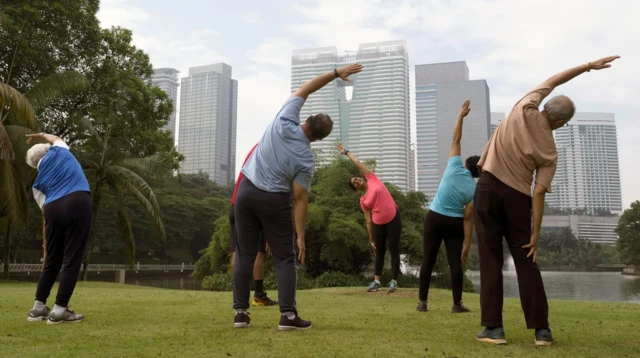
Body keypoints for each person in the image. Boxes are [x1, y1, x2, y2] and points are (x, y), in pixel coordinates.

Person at [474, 56, 620, 346]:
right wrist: (535, 235)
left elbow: (555, 80)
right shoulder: (550, 151)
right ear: (562, 122)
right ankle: (542, 331)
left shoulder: (524, 106)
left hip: (489, 189)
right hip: (518, 198)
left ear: (545, 106)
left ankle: (493, 329)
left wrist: (587, 66)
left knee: (490, 259)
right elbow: (538, 193)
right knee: (526, 261)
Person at [233, 63, 363, 331]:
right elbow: (300, 197)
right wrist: (300, 236)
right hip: (274, 201)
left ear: (307, 117)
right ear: (319, 139)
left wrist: (336, 74)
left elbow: (307, 88)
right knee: (285, 258)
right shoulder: (306, 158)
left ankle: (241, 314)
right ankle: (288, 316)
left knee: (244, 254)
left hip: (246, 192)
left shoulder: (284, 118)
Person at [417, 100, 479, 313]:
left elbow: (456, 138)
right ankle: (456, 304)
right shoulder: (473, 190)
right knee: (455, 263)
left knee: (428, 260)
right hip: (454, 224)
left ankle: (422, 303)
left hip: (434, 218)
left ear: (465, 164)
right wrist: (467, 243)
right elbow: (468, 218)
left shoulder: (454, 166)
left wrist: (460, 116)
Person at [25, 132, 92, 324]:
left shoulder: (37, 185)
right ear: (47, 151)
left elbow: (45, 214)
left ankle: (38, 309)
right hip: (78, 201)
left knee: (52, 262)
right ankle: (60, 310)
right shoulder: (59, 151)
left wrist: (47, 245)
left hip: (53, 209)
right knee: (72, 258)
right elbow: (54, 139)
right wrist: (41, 134)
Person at [337, 143, 402, 293]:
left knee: (394, 249)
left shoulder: (372, 178)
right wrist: (371, 239)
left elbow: (357, 163)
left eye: (357, 179)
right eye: (354, 183)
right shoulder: (363, 201)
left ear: (361, 178)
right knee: (379, 252)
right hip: (378, 223)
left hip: (393, 217)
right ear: (355, 188)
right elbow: (368, 220)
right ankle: (376, 282)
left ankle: (393, 281)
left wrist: (347, 152)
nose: (357, 181)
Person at [229, 143, 277, 306]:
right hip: (253, 206)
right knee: (258, 252)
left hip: (236, 203)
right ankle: (258, 294)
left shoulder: (253, 153)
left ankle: (238, 293)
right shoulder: (271, 155)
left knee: (237, 250)